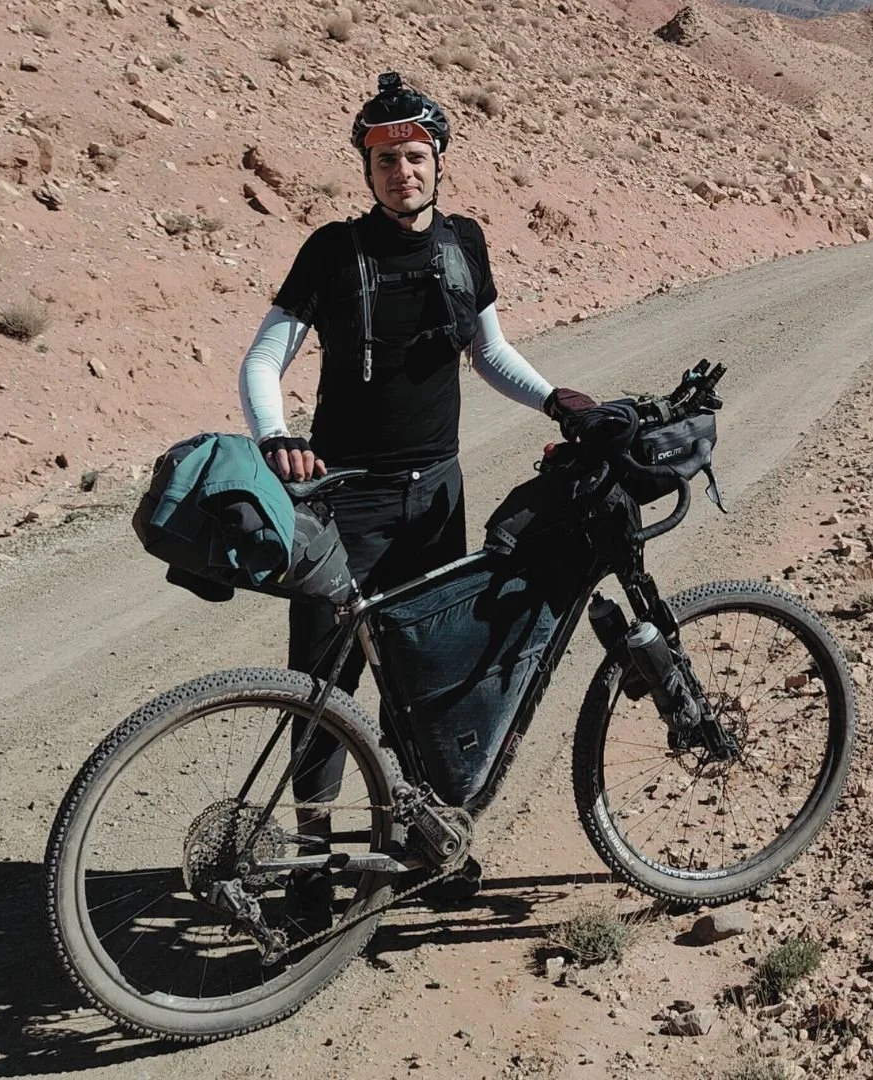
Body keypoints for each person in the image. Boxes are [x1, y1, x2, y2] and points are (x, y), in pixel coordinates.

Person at [238, 72, 597, 923]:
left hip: (437, 497)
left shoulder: (464, 243)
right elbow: (262, 359)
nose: (402, 170)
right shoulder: (331, 251)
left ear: (439, 161)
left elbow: (490, 353)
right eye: (385, 158)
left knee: (427, 681)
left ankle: (422, 846)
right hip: (342, 504)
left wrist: (556, 398)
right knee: (324, 686)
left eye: (415, 155)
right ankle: (311, 866)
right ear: (366, 170)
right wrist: (276, 435)